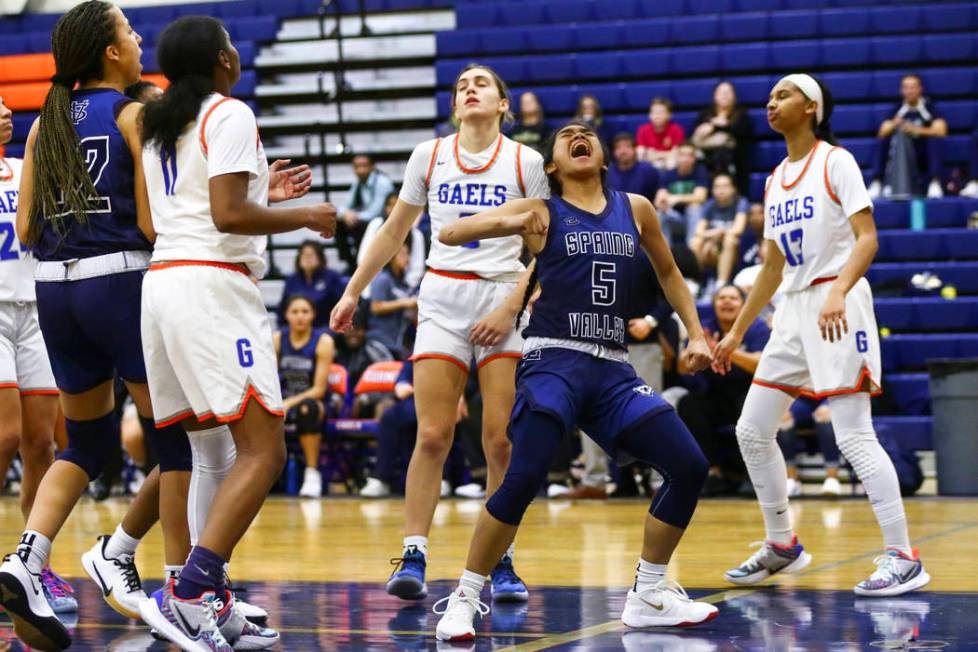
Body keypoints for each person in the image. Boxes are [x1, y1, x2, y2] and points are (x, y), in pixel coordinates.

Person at [432, 121, 717, 641]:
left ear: (603, 156)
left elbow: (671, 274)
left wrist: (695, 333)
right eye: (566, 136)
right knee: (525, 475)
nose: (577, 136)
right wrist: (496, 222)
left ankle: (649, 592)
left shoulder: (636, 208)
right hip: (553, 361)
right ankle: (466, 595)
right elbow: (451, 232)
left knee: (689, 464)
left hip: (612, 368)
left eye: (586, 132)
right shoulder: (542, 213)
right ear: (552, 166)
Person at [0, 6, 200, 650]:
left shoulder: (43, 124)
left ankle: (24, 559)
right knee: (177, 443)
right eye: (130, 33)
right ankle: (184, 593)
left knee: (83, 445)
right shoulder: (132, 114)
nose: (139, 41)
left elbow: (27, 229)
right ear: (111, 54)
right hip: (122, 284)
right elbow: (150, 224)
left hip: (55, 292)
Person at [136, 15, 335, 649]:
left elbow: (185, 210)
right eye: (230, 46)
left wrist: (260, 188)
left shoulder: (157, 123)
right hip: (212, 287)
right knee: (264, 448)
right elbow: (225, 214)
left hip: (163, 282)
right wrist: (301, 214)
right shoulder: (230, 113)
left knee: (210, 454)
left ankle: (201, 598)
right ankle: (192, 587)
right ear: (221, 59)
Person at [331, 63, 548, 603]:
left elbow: (546, 251)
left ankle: (500, 560)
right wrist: (354, 290)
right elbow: (393, 230)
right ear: (455, 107)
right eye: (461, 86)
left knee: (499, 440)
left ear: (504, 104)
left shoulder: (528, 161)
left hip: (504, 297)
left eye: (482, 84)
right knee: (432, 434)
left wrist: (511, 306)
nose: (469, 90)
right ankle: (413, 553)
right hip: (443, 298)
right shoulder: (428, 155)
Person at [714, 73, 929, 596]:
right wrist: (735, 334)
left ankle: (904, 557)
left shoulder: (836, 161)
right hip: (793, 307)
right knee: (751, 429)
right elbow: (770, 267)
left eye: (783, 94)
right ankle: (782, 543)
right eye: (769, 97)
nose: (770, 102)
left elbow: (867, 238)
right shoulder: (774, 178)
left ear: (811, 107)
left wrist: (839, 289)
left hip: (838, 302)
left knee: (853, 434)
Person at [0, 95, 71, 615]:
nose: (5, 112)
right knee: (4, 433)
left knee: (41, 443)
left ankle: (34, 567)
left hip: (36, 308)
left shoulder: (28, 168)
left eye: (5, 106)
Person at [678, 285, 769, 495]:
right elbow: (682, 366)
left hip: (749, 392)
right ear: (714, 304)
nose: (727, 302)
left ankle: (752, 475)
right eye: (722, 298)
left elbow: (762, 364)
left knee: (752, 405)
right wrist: (698, 349)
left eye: (733, 298)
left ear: (743, 304)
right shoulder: (703, 329)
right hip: (714, 393)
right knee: (688, 403)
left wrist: (726, 349)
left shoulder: (756, 328)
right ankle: (712, 472)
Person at [275, 295, 335, 498]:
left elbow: (319, 389)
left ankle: (312, 474)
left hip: (314, 402)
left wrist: (288, 403)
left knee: (307, 409)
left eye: (305, 311)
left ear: (313, 315)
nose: (300, 316)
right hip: (281, 400)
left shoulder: (323, 341)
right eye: (295, 312)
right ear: (286, 315)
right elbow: (269, 378)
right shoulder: (277, 339)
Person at [868, 74, 947, 199]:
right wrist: (895, 124)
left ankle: (935, 183)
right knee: (883, 141)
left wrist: (915, 130)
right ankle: (877, 182)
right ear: (902, 90)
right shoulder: (898, 109)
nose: (910, 91)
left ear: (920, 89)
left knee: (934, 140)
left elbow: (941, 130)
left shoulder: (928, 107)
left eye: (913, 87)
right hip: (902, 155)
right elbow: (882, 132)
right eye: (906, 87)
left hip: (923, 154)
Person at [691, 81, 754, 196]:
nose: (724, 95)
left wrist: (715, 126)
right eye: (721, 92)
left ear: (734, 96)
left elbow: (742, 133)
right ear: (715, 96)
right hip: (708, 166)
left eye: (728, 92)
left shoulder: (741, 115)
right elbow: (694, 137)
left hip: (736, 167)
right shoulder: (705, 115)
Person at [690, 173, 750, 288]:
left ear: (733, 189)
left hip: (737, 250)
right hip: (713, 248)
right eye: (717, 187)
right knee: (696, 242)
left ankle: (721, 284)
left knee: (730, 239)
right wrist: (714, 236)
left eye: (725, 186)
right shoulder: (710, 204)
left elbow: (738, 229)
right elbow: (698, 231)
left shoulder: (741, 203)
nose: (720, 190)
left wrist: (718, 234)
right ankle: (695, 284)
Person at [358, 192, 425, 292]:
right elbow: (363, 258)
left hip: (405, 287)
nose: (393, 209)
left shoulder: (416, 235)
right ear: (385, 207)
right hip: (374, 283)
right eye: (390, 204)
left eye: (397, 205)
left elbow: (417, 268)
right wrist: (379, 283)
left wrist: (401, 290)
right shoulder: (376, 224)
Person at [337, 153, 395, 268]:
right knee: (338, 223)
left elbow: (376, 212)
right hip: (365, 220)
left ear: (372, 166)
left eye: (364, 165)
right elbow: (346, 206)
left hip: (383, 222)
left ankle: (362, 265)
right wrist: (346, 214)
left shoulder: (382, 182)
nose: (361, 170)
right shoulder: (358, 183)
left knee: (359, 226)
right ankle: (350, 263)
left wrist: (354, 216)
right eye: (357, 166)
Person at [778, 398, 842, 497]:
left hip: (828, 397)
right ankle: (792, 479)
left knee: (826, 418)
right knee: (783, 418)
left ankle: (832, 479)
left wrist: (827, 403)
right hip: (801, 398)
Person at [276, 240, 346, 327]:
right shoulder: (291, 279)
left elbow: (341, 307)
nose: (307, 258)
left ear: (320, 258)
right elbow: (283, 308)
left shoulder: (332, 277)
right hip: (295, 331)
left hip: (325, 329)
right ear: (299, 258)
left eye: (311, 255)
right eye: (304, 254)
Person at [654, 143, 709, 246]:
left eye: (690, 155)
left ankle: (692, 251)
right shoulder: (669, 174)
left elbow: (701, 197)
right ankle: (664, 255)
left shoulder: (700, 172)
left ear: (694, 158)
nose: (686, 159)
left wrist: (677, 198)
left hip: (696, 220)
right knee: (660, 213)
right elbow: (659, 199)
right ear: (677, 157)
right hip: (676, 218)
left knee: (694, 208)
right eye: (682, 155)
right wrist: (663, 202)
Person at [368, 242, 417, 358]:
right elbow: (376, 307)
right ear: (391, 256)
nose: (407, 258)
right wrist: (403, 303)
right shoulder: (382, 279)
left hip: (397, 341)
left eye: (408, 254)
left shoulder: (403, 283)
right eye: (403, 254)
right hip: (380, 342)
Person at [607, 132, 659, 203]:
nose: (623, 151)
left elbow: (659, 192)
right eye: (618, 147)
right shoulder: (608, 171)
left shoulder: (648, 170)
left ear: (635, 150)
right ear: (613, 152)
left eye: (627, 146)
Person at [636, 97, 685, 170]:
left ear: (669, 115)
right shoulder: (643, 130)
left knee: (673, 162)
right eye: (654, 112)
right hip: (650, 162)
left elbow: (677, 152)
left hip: (669, 162)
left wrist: (657, 154)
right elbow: (641, 152)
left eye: (661, 112)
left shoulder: (677, 129)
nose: (657, 115)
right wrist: (666, 154)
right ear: (649, 115)